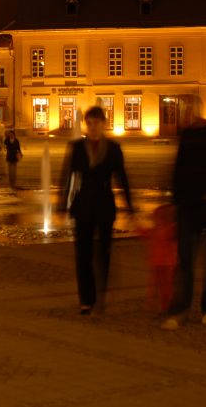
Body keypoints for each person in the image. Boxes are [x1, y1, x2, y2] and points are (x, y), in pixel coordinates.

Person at [162, 99, 206, 330]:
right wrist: (173, 201)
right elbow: (177, 168)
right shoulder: (186, 135)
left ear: (199, 111)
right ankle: (180, 308)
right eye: (185, 111)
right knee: (185, 259)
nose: (186, 115)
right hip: (186, 205)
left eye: (189, 110)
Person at [61, 106, 133, 315]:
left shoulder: (113, 148)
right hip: (82, 204)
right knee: (82, 254)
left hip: (104, 204)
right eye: (89, 123)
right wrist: (63, 204)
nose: (92, 127)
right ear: (85, 124)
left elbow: (122, 176)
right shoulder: (76, 147)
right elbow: (69, 176)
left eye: (96, 123)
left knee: (103, 253)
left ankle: (100, 294)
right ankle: (86, 299)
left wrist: (129, 206)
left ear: (103, 124)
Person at [138, 203, 177, 313]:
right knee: (155, 285)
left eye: (157, 217)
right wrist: (137, 224)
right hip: (157, 263)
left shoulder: (170, 229)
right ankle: (154, 304)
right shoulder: (156, 230)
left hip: (166, 263)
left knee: (166, 286)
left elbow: (144, 233)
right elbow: (144, 233)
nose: (155, 220)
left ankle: (165, 305)